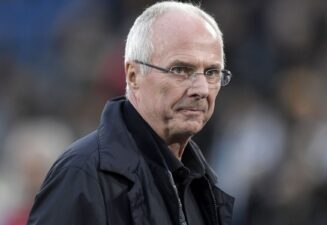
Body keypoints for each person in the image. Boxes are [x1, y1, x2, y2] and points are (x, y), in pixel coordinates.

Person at [26, 1, 234, 225]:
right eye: (181, 70)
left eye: (212, 72)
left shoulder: (202, 186)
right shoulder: (82, 175)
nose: (201, 89)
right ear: (133, 76)